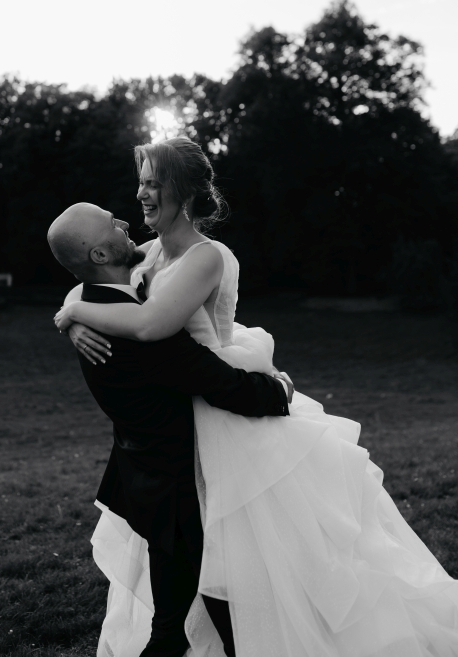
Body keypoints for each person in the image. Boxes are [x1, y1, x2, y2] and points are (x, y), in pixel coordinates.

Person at [55, 136, 458, 657]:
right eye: (141, 182)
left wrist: (74, 313)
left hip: (228, 421)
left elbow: (150, 322)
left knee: (257, 569)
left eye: (153, 183)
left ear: (184, 191)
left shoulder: (205, 256)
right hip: (186, 426)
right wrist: (69, 315)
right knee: (207, 572)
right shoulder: (148, 253)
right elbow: (93, 275)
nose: (140, 195)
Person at [47, 203, 291, 657]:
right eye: (112, 224)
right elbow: (220, 384)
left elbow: (84, 286)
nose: (126, 223)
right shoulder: (137, 333)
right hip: (181, 491)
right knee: (219, 620)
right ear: (100, 255)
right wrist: (279, 391)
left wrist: (71, 315)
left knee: (182, 620)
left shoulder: (96, 302)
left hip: (147, 477)